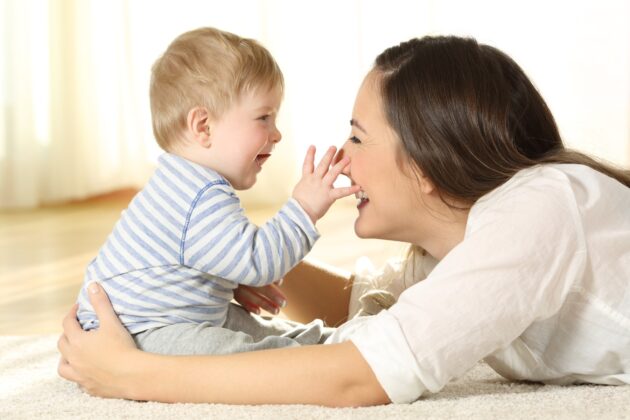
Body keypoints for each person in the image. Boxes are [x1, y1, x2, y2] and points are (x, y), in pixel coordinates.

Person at [58, 35, 630, 406]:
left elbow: (359, 376)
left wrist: (132, 374)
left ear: (427, 162)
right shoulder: (459, 245)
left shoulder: (539, 211)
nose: (343, 156)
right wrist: (219, 264)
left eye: (357, 136)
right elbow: (362, 304)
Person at [75, 27, 359, 355]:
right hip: (140, 333)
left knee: (250, 328)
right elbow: (257, 262)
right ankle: (322, 353)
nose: (276, 133)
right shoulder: (200, 194)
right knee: (242, 354)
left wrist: (228, 282)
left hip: (156, 321)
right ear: (204, 127)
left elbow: (196, 262)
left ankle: (324, 343)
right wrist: (305, 207)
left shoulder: (180, 181)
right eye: (264, 118)